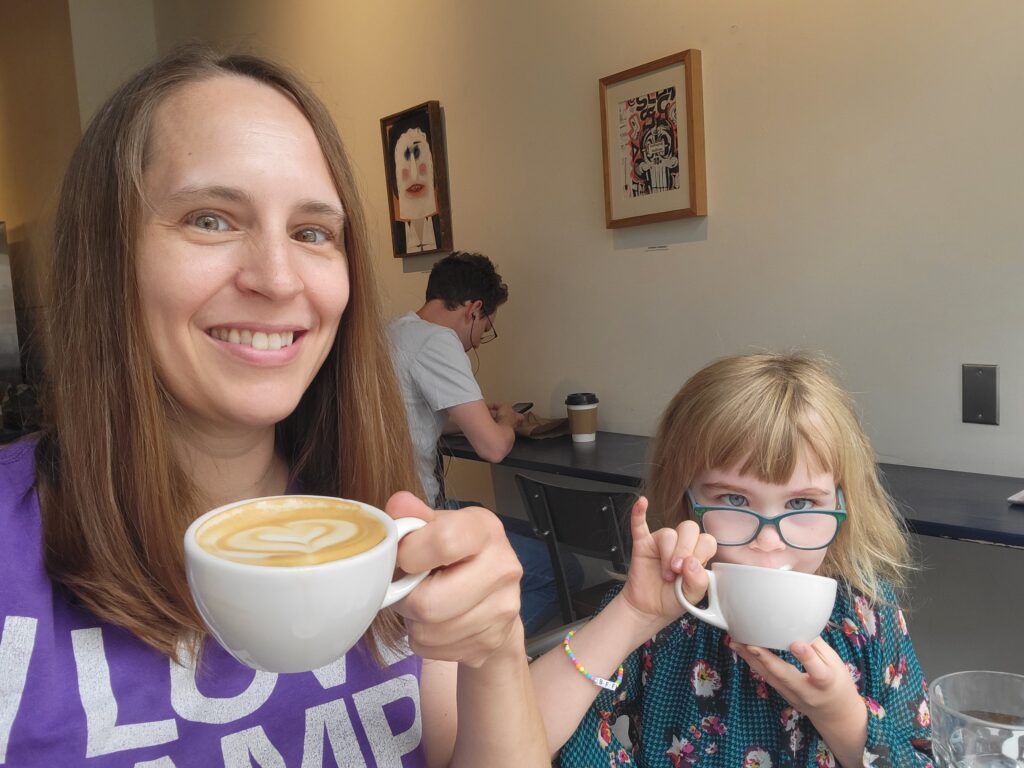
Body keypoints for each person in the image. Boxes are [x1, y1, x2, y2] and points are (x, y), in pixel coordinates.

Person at [0, 46, 548, 767]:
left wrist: (498, 653)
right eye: (211, 219)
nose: (279, 277)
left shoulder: (379, 514)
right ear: (108, 258)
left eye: (312, 232)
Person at [531, 353, 933, 766]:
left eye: (801, 502)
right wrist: (632, 615)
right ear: (687, 503)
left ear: (843, 503)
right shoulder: (660, 618)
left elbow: (922, 754)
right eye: (734, 499)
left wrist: (843, 719)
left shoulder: (867, 614)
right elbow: (518, 741)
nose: (769, 539)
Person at [388, 253, 582, 635]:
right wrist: (507, 422)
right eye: (485, 328)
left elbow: (411, 420)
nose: (477, 344)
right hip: (418, 520)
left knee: (481, 511)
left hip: (387, 514)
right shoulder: (438, 342)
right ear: (474, 310)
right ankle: (475, 658)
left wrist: (470, 420)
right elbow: (493, 449)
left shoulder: (393, 332)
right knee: (566, 572)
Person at [387, 109, 442, 254]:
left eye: (419, 157)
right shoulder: (395, 236)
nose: (414, 172)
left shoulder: (444, 229)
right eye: (405, 161)